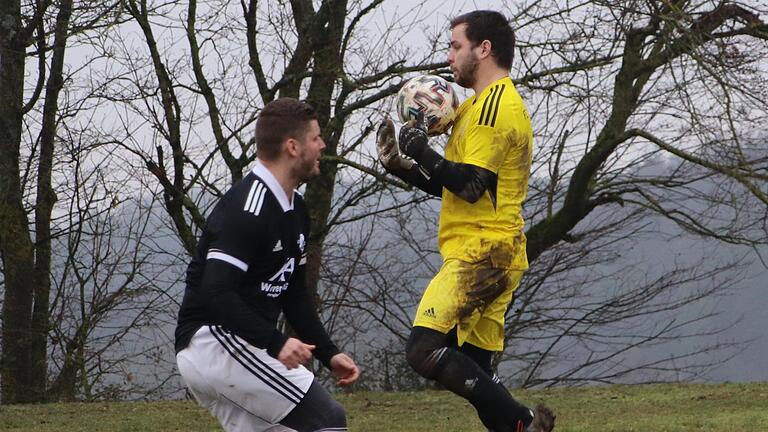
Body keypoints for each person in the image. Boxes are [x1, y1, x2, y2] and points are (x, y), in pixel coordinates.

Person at [377, 10, 555, 432]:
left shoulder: (496, 107)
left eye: (456, 46)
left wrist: (422, 151)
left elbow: (472, 185)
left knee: (423, 350)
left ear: (484, 49)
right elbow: (455, 187)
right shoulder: (473, 107)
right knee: (475, 367)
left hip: (482, 254)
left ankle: (525, 421)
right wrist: (404, 168)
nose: (449, 56)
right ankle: (520, 425)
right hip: (491, 250)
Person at [175, 97, 359, 432]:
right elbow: (216, 291)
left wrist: (329, 353)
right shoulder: (246, 209)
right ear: (292, 146)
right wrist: (276, 343)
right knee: (327, 418)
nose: (323, 145)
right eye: (315, 137)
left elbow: (294, 295)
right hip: (213, 342)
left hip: (243, 344)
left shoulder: (296, 209)